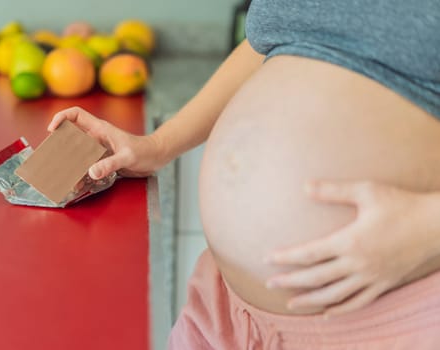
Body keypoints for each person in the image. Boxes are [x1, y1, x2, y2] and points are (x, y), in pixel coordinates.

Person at [48, 0, 440, 348]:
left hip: (390, 314)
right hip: (227, 312)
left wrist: (426, 228)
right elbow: (267, 42)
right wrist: (159, 145)